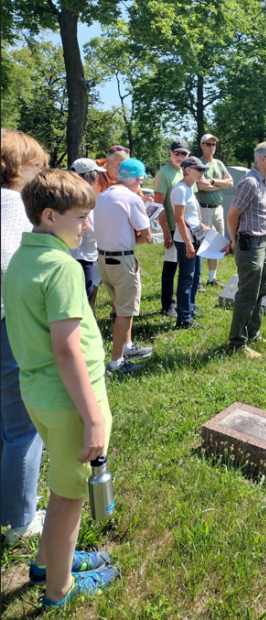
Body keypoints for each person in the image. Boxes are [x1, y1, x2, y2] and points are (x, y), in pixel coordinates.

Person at [3, 169, 118, 607]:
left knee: (61, 489)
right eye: (81, 217)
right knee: (69, 498)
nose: (87, 225)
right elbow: (68, 351)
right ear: (50, 216)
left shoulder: (22, 258)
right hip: (71, 401)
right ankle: (58, 589)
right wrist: (92, 419)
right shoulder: (61, 267)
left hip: (38, 393)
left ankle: (46, 563)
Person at [1, 129, 49, 546]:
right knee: (21, 427)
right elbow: (10, 266)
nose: (42, 172)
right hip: (8, 326)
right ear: (17, 167)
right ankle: (20, 519)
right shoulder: (12, 203)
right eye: (37, 165)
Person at [93, 159, 153, 374]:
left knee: (120, 306)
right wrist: (131, 240)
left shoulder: (103, 195)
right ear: (137, 180)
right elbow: (146, 236)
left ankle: (127, 346)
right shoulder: (131, 198)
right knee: (125, 312)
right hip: (122, 260)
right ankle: (116, 362)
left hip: (102, 259)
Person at [226, 142, 266, 358]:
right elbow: (232, 215)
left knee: (260, 291)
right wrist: (235, 241)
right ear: (263, 160)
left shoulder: (262, 182)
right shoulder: (249, 183)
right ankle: (237, 344)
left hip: (262, 243)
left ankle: (253, 334)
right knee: (247, 294)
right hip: (249, 245)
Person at [154, 139, 201, 318]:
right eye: (177, 153)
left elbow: (193, 202)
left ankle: (187, 304)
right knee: (171, 267)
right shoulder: (163, 174)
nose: (180, 156)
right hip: (174, 228)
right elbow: (159, 206)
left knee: (189, 270)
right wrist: (166, 232)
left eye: (184, 153)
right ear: (170, 153)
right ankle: (167, 304)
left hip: (189, 229)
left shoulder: (188, 172)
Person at [171, 157, 211, 329]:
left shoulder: (189, 188)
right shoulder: (179, 189)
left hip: (197, 237)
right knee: (186, 278)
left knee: (196, 276)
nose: (202, 172)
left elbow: (192, 217)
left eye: (203, 170)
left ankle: (190, 308)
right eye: (199, 169)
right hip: (187, 240)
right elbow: (179, 219)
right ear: (187, 170)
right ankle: (183, 319)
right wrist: (188, 244)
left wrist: (207, 230)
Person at [196, 134, 234, 287]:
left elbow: (230, 183)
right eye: (208, 144)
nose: (212, 147)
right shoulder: (198, 163)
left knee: (217, 244)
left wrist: (212, 181)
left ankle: (212, 278)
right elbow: (200, 186)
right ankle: (197, 280)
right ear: (202, 146)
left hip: (218, 209)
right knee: (200, 243)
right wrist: (220, 184)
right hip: (203, 208)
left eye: (214, 144)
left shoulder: (219, 163)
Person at [69, 158, 107, 310]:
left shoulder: (71, 194)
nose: (99, 177)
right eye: (96, 173)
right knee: (85, 294)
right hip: (83, 255)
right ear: (86, 176)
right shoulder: (83, 196)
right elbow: (90, 229)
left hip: (76, 252)